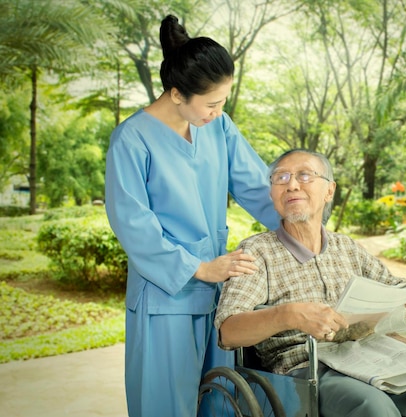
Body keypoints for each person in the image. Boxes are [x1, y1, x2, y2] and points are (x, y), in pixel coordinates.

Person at [215, 149, 406, 417]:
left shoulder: (348, 248)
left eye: (304, 175)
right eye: (281, 178)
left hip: (376, 357)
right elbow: (228, 331)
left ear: (329, 190)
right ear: (273, 193)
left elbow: (402, 295)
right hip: (310, 370)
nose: (291, 186)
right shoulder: (256, 252)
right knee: (371, 405)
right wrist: (288, 314)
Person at [104, 15, 280, 417]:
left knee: (222, 401)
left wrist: (302, 226)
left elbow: (256, 185)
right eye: (212, 103)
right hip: (166, 296)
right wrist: (200, 268)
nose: (219, 112)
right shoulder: (131, 140)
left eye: (224, 102)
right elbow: (133, 224)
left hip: (219, 294)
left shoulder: (217, 127)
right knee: (166, 407)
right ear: (177, 93)